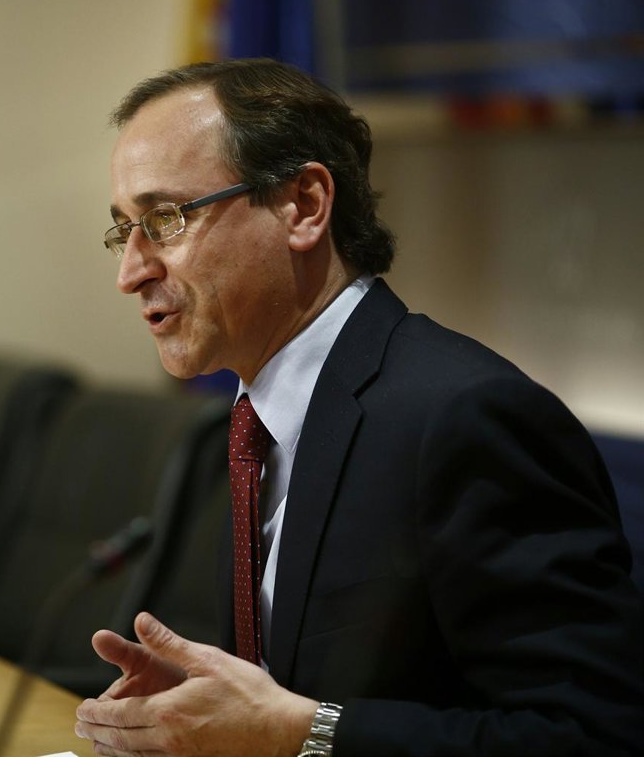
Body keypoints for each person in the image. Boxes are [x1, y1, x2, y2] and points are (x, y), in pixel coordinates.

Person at [73, 59, 644, 757]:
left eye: (165, 220)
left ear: (304, 206)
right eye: (123, 231)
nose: (130, 272)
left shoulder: (466, 417)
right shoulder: (252, 424)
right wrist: (210, 705)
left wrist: (298, 733)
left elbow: (594, 736)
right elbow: (319, 684)